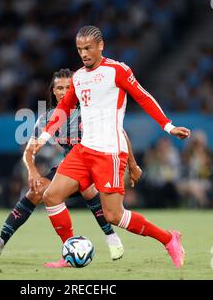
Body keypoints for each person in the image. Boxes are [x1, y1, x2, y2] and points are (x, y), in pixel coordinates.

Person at [33, 26, 191, 268]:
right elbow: (64, 107)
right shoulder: (78, 77)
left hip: (109, 151)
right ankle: (70, 252)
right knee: (51, 196)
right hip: (84, 150)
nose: (83, 53)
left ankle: (169, 238)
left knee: (114, 216)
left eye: (88, 48)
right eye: (79, 49)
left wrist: (168, 127)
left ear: (100, 46)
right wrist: (44, 136)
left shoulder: (116, 70)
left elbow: (143, 97)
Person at [0, 69, 143, 267]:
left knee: (86, 185)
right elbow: (28, 151)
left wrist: (133, 164)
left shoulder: (90, 112)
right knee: (36, 191)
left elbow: (121, 134)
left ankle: (111, 237)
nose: (64, 91)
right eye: (60, 87)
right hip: (72, 167)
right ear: (53, 91)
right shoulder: (47, 119)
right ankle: (0, 242)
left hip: (100, 164)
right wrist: (32, 171)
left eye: (68, 87)